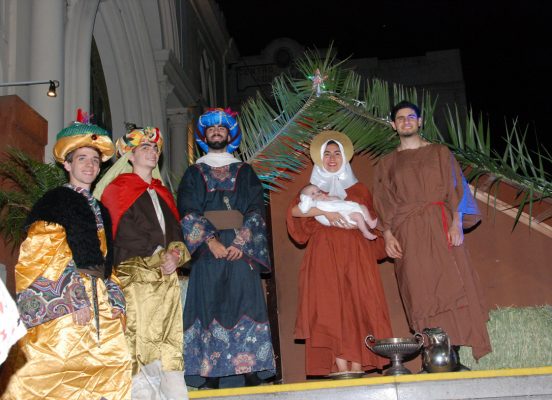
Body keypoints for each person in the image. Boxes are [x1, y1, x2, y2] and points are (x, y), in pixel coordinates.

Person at [2, 111, 132, 400]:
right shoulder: (55, 201)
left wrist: (115, 298)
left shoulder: (101, 209)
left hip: (100, 303)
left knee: (114, 365)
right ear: (67, 163)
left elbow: (108, 263)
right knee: (54, 371)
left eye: (95, 159)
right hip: (69, 304)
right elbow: (41, 255)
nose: (90, 164)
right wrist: (73, 298)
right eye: (82, 158)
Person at [372, 100, 492, 362]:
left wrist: (456, 222)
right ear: (393, 125)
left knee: (452, 283)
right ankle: (431, 353)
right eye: (400, 118)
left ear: (420, 121)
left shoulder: (439, 152)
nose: (406, 121)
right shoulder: (387, 163)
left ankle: (453, 353)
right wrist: (388, 235)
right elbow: (383, 200)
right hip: (408, 234)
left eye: (411, 117)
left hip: (441, 226)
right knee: (419, 288)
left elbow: (455, 187)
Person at [177, 108, 275, 389]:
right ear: (204, 136)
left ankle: (251, 370)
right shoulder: (193, 173)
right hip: (209, 251)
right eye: (211, 129)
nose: (217, 132)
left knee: (246, 302)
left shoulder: (245, 171)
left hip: (240, 248)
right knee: (208, 304)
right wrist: (210, 241)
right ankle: (210, 373)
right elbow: (187, 210)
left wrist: (242, 241)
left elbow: (256, 209)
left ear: (230, 135)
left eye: (221, 128)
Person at [287, 130, 392, 378]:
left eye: (336, 153)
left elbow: (373, 221)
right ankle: (341, 368)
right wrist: (326, 213)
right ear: (319, 158)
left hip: (356, 254)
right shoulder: (311, 190)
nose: (332, 158)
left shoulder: (359, 189)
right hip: (324, 254)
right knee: (329, 307)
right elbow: (295, 213)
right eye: (327, 154)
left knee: (358, 305)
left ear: (344, 157)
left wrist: (362, 225)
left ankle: (357, 366)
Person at [94, 124, 191, 376]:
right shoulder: (117, 189)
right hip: (135, 273)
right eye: (145, 147)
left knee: (168, 337)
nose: (152, 152)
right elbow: (122, 231)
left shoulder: (162, 192)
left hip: (166, 276)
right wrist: (160, 253)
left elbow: (175, 230)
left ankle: (169, 388)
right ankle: (139, 388)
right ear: (130, 155)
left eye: (155, 148)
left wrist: (175, 254)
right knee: (139, 336)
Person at [299, 183, 378, 240]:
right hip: (342, 216)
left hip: (347, 209)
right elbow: (304, 208)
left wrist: (329, 198)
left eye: (318, 191)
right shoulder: (315, 205)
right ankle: (365, 232)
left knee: (363, 207)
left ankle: (370, 222)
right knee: (358, 216)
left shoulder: (326, 198)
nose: (317, 194)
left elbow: (338, 200)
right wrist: (307, 201)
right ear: (307, 199)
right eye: (313, 194)